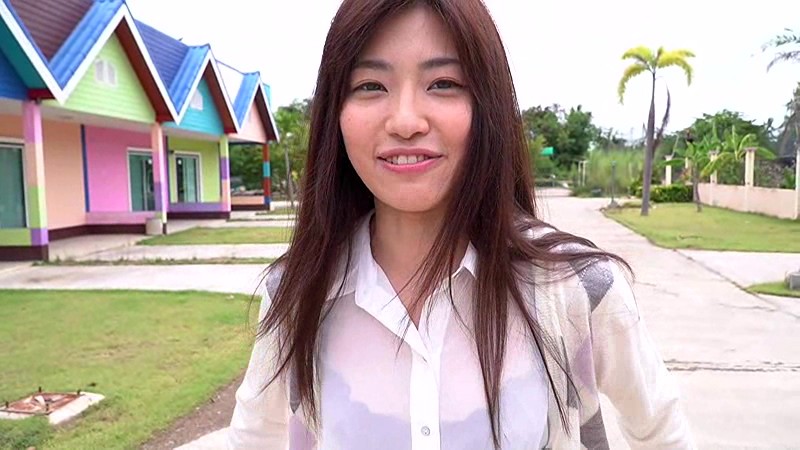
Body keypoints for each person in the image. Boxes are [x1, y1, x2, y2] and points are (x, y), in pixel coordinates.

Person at [227, 0, 695, 448]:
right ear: (337, 113)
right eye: (370, 85)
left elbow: (661, 433)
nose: (405, 121)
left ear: (487, 106)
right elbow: (253, 438)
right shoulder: (297, 292)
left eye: (443, 83)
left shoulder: (575, 287)